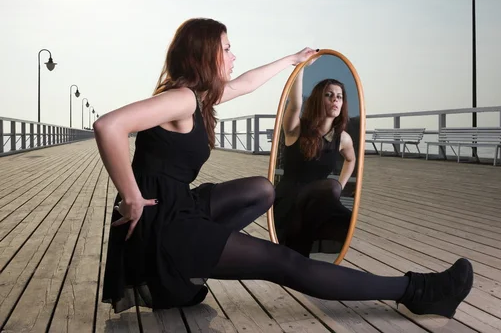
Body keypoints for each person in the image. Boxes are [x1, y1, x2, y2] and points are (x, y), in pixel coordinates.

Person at [94, 17, 473, 319]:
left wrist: (291, 60)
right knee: (285, 263)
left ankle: (196, 257)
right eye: (226, 48)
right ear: (204, 53)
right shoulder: (180, 99)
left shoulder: (199, 97)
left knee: (262, 189)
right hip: (166, 227)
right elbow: (109, 126)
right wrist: (131, 197)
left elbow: (244, 84)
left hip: (178, 208)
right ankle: (417, 291)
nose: (233, 56)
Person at [273, 68, 355, 257]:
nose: (335, 100)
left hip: (317, 203)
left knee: (342, 216)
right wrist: (300, 67)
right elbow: (295, 104)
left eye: (339, 97)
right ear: (318, 99)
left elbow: (351, 160)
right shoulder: (296, 129)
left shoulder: (342, 138)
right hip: (289, 201)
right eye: (329, 95)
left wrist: (340, 187)